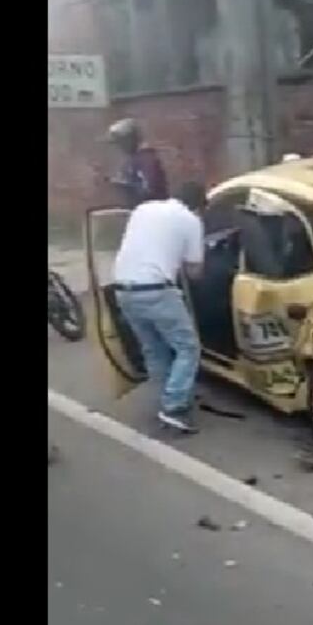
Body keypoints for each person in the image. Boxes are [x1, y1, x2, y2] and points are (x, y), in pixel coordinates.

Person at [111, 171, 205, 433]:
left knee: (154, 349)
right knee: (188, 347)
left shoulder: (144, 208)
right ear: (198, 206)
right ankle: (174, 406)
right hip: (155, 290)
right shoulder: (190, 220)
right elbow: (195, 272)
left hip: (121, 289)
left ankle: (167, 401)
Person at [102, 118, 169, 210]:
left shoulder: (147, 160)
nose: (119, 147)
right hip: (137, 213)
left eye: (120, 142)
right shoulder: (133, 160)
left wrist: (125, 185)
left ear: (129, 139)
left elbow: (150, 190)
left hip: (151, 214)